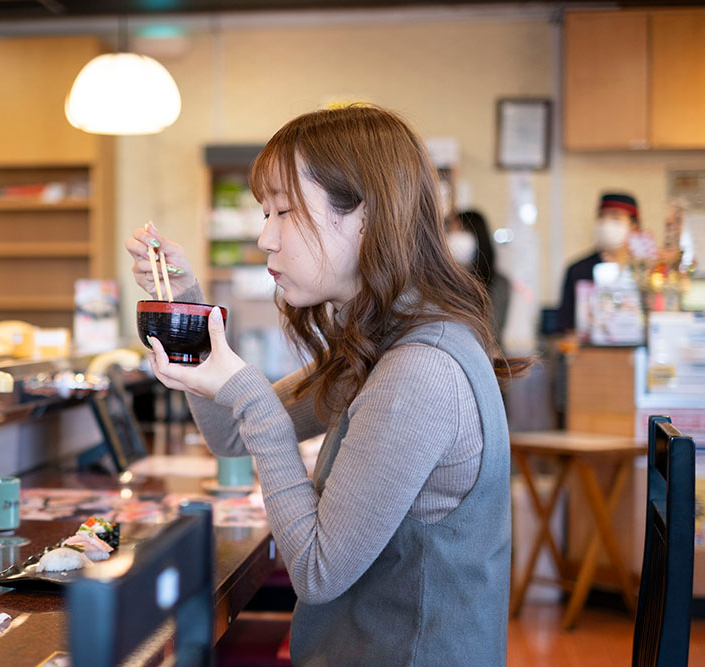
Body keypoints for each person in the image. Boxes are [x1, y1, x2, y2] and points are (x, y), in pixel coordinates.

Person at [126, 105, 530, 665]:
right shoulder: (384, 343)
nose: (265, 237)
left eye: (284, 212)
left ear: (364, 216)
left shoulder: (420, 369)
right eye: (263, 213)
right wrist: (189, 307)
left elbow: (318, 571)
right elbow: (232, 437)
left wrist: (246, 390)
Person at [555, 192, 640, 333]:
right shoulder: (578, 270)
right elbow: (565, 326)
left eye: (615, 217)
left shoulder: (644, 271)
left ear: (634, 226)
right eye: (602, 217)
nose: (606, 224)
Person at [447, 209, 511, 344]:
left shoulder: (499, 282)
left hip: (487, 355)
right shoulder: (443, 280)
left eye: (461, 231)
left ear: (477, 236)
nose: (454, 238)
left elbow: (492, 328)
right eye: (451, 232)